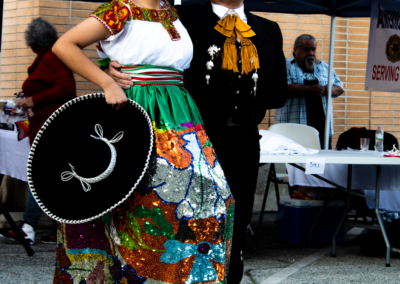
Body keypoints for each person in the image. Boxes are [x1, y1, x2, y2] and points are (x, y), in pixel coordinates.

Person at [51, 0, 235, 283]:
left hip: (179, 110)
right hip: (136, 109)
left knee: (210, 198)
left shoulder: (174, 12)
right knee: (137, 203)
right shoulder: (119, 8)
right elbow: (64, 45)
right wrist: (106, 80)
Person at [105, 0, 288, 282]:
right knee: (183, 219)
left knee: (236, 221)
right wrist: (111, 69)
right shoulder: (179, 15)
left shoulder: (268, 28)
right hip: (191, 138)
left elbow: (277, 91)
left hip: (244, 140)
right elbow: (135, 44)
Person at [0, 18, 76, 245]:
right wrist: (28, 100)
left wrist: (32, 99)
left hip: (51, 129)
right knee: (47, 178)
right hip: (45, 127)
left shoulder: (51, 58)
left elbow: (66, 88)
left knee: (41, 178)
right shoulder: (48, 58)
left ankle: (30, 226)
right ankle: (55, 229)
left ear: (33, 43)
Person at [275, 34, 344, 149]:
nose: (311, 53)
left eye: (313, 49)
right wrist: (310, 90)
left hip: (322, 129)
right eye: (306, 49)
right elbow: (282, 88)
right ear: (295, 49)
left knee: (323, 164)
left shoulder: (324, 67)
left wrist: (330, 89)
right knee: (296, 165)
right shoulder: (284, 66)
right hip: (294, 129)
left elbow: (340, 87)